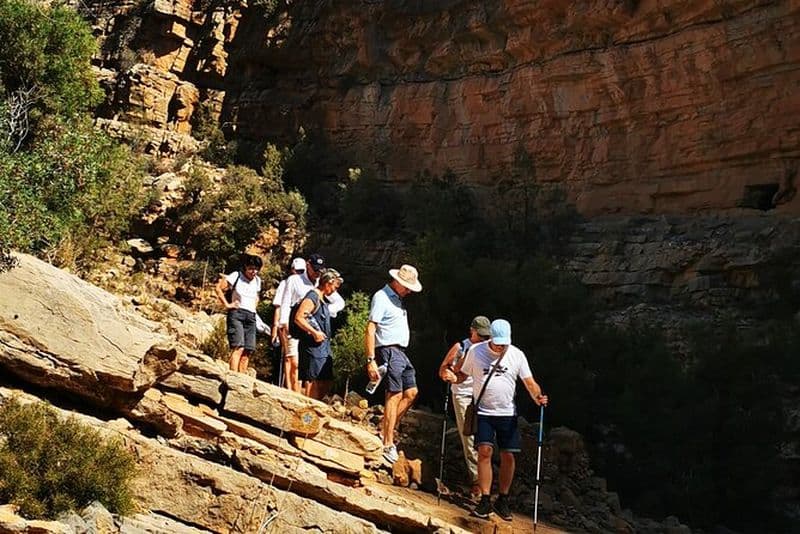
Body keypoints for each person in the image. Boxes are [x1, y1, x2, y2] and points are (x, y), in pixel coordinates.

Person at [443, 319, 549, 521]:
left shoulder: (516, 355)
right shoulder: (476, 352)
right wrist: (453, 379)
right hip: (483, 411)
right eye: (498, 342)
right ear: (491, 338)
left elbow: (529, 382)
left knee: (508, 455)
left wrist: (539, 398)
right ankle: (485, 499)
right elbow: (463, 375)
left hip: (507, 414)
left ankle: (503, 499)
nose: (501, 347)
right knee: (484, 451)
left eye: (504, 343)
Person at [365, 264, 422, 464]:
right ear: (397, 281)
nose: (408, 291)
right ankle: (388, 442)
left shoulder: (397, 299)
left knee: (411, 392)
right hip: (388, 349)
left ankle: (385, 427)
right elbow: (371, 328)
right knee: (395, 393)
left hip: (400, 351)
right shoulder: (382, 297)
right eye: (406, 286)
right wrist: (371, 360)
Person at [437, 315, 491, 499]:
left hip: (481, 397)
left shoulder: (489, 348)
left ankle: (483, 481)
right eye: (481, 335)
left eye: (486, 335)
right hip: (463, 395)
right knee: (469, 437)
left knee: (483, 438)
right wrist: (449, 375)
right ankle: (477, 483)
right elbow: (443, 368)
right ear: (472, 331)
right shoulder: (461, 347)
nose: (484, 339)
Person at [278, 253, 327, 392]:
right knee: (294, 361)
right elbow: (286, 300)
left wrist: (328, 312)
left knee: (308, 363)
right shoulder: (294, 280)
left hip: (312, 328)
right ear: (308, 265)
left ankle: (303, 393)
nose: (317, 273)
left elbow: (336, 300)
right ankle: (292, 392)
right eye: (315, 269)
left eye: (320, 270)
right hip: (294, 325)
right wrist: (283, 322)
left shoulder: (320, 283)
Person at [294, 269, 343, 400]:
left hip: (323, 348)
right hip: (313, 348)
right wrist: (314, 332)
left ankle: (312, 411)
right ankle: (307, 416)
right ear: (328, 283)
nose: (334, 291)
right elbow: (299, 317)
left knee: (325, 381)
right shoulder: (312, 297)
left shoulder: (323, 299)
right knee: (313, 382)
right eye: (334, 287)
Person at [215, 254, 263, 373]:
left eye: (256, 269)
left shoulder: (257, 281)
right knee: (238, 347)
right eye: (251, 268)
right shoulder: (236, 276)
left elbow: (256, 296)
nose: (254, 272)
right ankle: (233, 378)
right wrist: (227, 304)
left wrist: (254, 308)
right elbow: (219, 288)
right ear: (246, 267)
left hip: (251, 315)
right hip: (237, 314)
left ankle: (242, 380)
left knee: (248, 350)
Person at [272, 257, 306, 385]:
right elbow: (278, 306)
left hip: (301, 324)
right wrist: (275, 329)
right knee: (289, 358)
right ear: (292, 270)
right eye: (297, 271)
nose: (298, 273)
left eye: (301, 271)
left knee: (298, 358)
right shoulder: (285, 283)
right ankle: (288, 387)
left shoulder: (307, 283)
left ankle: (295, 386)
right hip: (287, 324)